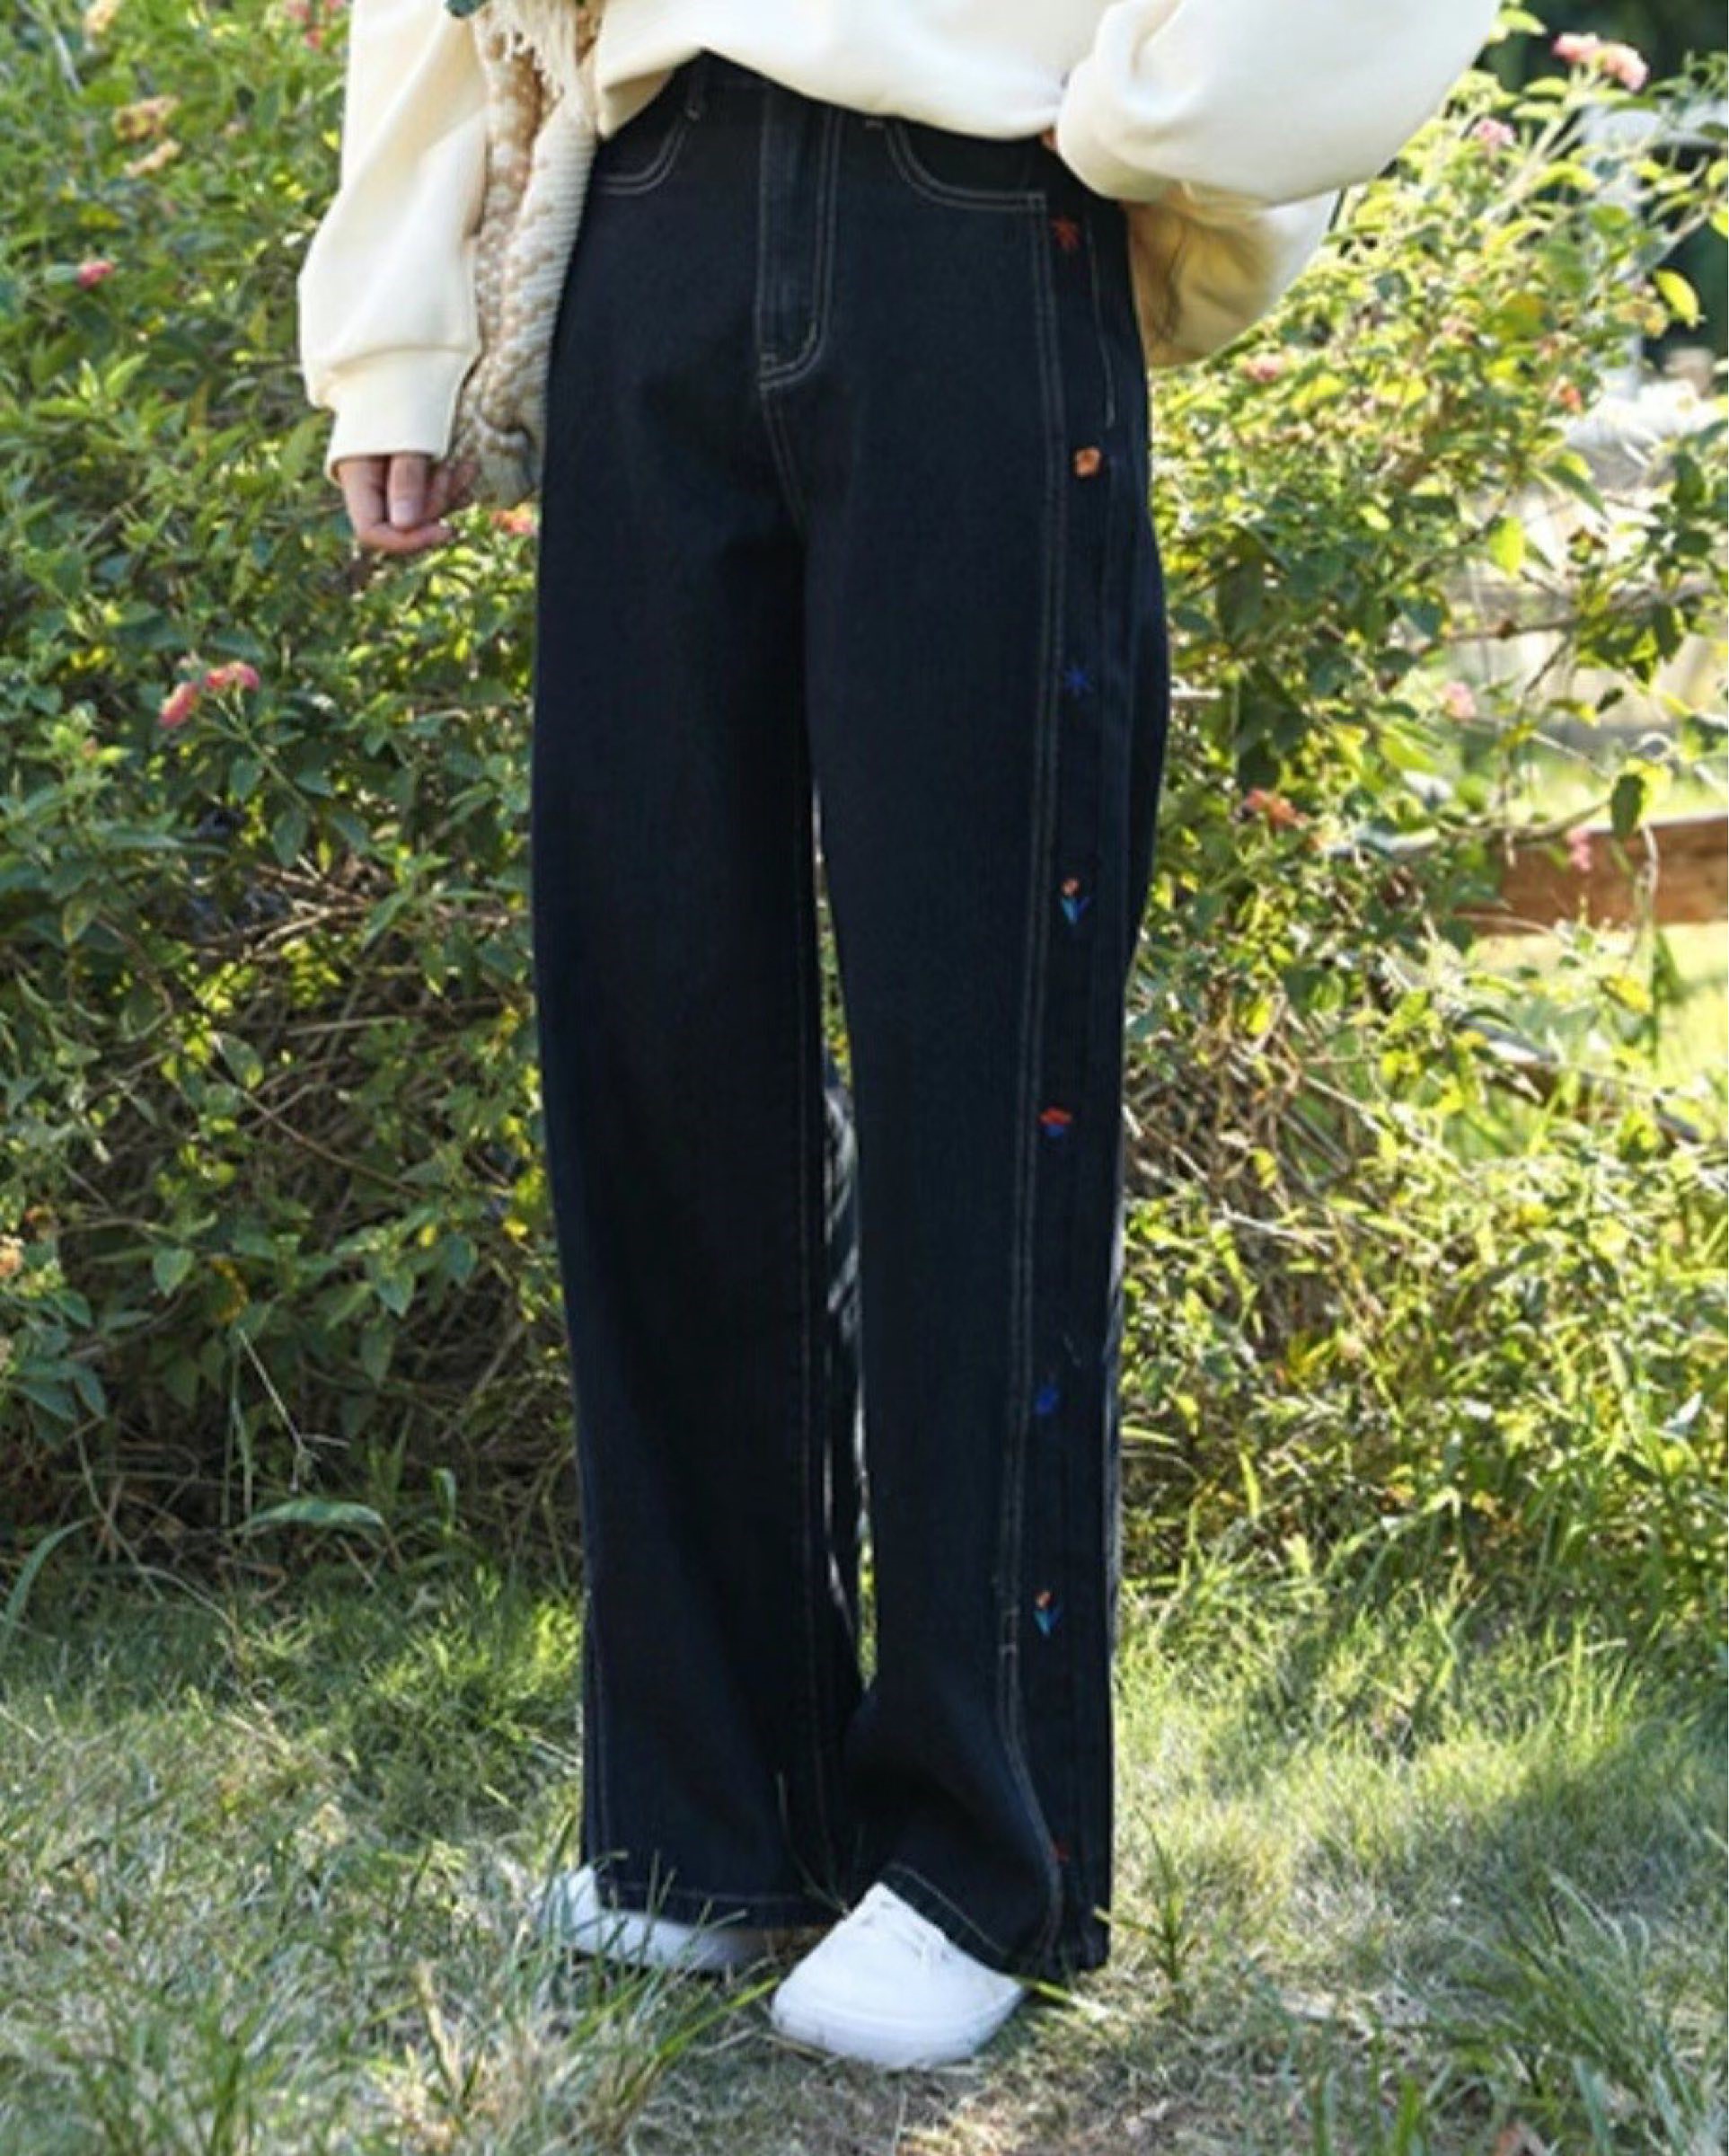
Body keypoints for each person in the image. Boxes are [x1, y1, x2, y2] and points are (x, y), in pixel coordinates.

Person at [297, 0, 1500, 2072]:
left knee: (978, 1044)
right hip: (650, 203)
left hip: (980, 208)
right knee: (653, 1029)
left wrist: (1151, 120)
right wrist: (401, 323)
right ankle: (711, 1817)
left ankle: (978, 1852)